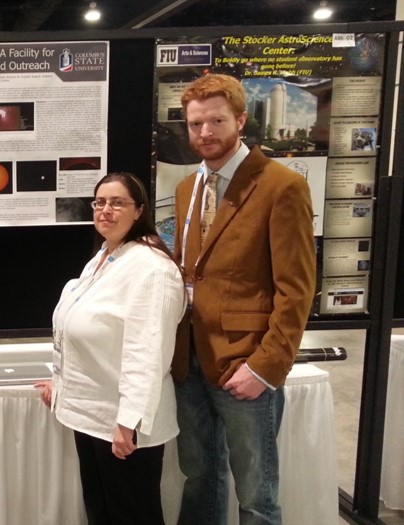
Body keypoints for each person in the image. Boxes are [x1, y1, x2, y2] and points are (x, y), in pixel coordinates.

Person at [172, 74, 316, 525]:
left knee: (256, 493)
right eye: (196, 124)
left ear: (240, 120)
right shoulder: (187, 189)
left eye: (216, 121)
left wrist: (266, 367)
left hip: (245, 365)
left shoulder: (281, 186)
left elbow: (296, 289)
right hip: (190, 361)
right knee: (199, 478)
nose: (205, 133)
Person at [38, 172, 186, 525]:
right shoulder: (106, 255)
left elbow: (147, 351)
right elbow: (82, 333)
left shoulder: (151, 269)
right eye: (99, 202)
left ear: (139, 211)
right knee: (101, 511)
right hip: (91, 415)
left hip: (123, 423)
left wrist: (128, 422)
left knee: (133, 515)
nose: (106, 210)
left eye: (117, 202)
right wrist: (61, 386)